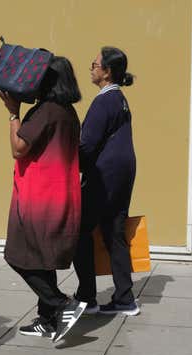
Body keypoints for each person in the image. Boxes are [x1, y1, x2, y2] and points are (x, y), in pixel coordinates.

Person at [0, 56, 86, 342]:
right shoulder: (67, 112)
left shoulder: (46, 110)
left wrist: (13, 113)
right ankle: (47, 319)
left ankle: (62, 304)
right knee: (41, 259)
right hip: (61, 195)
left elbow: (18, 148)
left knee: (18, 256)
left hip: (39, 197)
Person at [73, 47, 139, 316]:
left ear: (107, 72)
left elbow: (86, 145)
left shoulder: (104, 101)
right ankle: (125, 299)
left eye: (94, 64)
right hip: (122, 175)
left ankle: (87, 297)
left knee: (79, 231)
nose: (91, 68)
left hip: (105, 177)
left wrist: (70, 167)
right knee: (114, 234)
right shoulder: (119, 99)